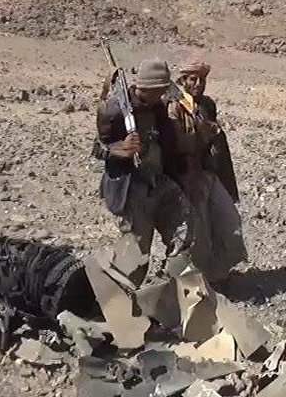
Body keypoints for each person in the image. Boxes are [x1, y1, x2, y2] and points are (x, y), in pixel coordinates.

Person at [93, 58, 195, 288]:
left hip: (159, 181)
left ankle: (174, 288)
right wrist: (120, 149)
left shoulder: (158, 107)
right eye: (160, 90)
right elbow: (98, 148)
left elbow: (168, 143)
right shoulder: (115, 110)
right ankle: (122, 297)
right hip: (131, 188)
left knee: (183, 229)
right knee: (137, 253)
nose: (163, 94)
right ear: (147, 88)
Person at [166, 56, 247, 285]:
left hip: (210, 173)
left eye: (202, 79)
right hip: (188, 177)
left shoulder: (207, 105)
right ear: (183, 80)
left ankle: (219, 274)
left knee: (228, 220)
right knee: (199, 232)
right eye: (193, 79)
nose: (198, 84)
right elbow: (175, 145)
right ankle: (197, 281)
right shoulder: (175, 108)